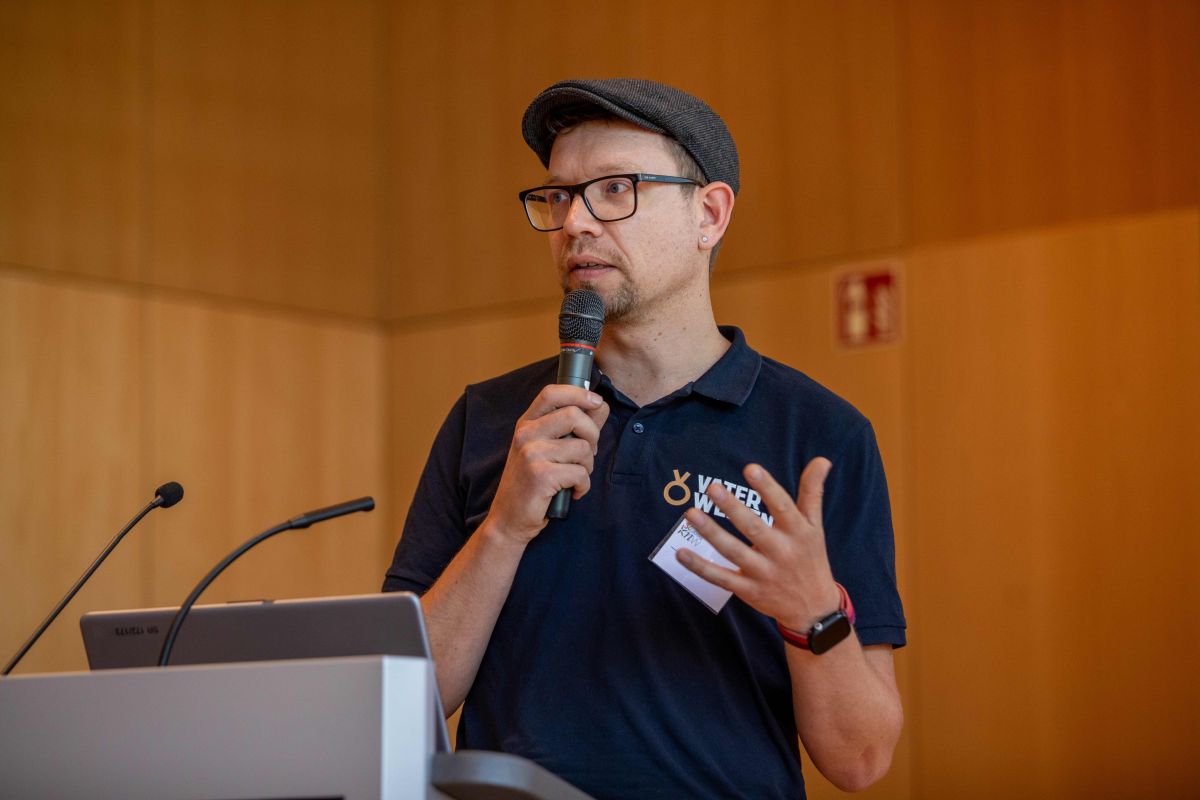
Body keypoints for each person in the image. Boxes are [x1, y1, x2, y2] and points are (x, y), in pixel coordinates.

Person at [384, 78, 906, 799]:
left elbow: (861, 760)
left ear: (710, 214)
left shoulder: (818, 434)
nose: (575, 223)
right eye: (558, 196)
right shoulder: (493, 419)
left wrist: (812, 613)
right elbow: (402, 704)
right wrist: (503, 530)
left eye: (616, 189)